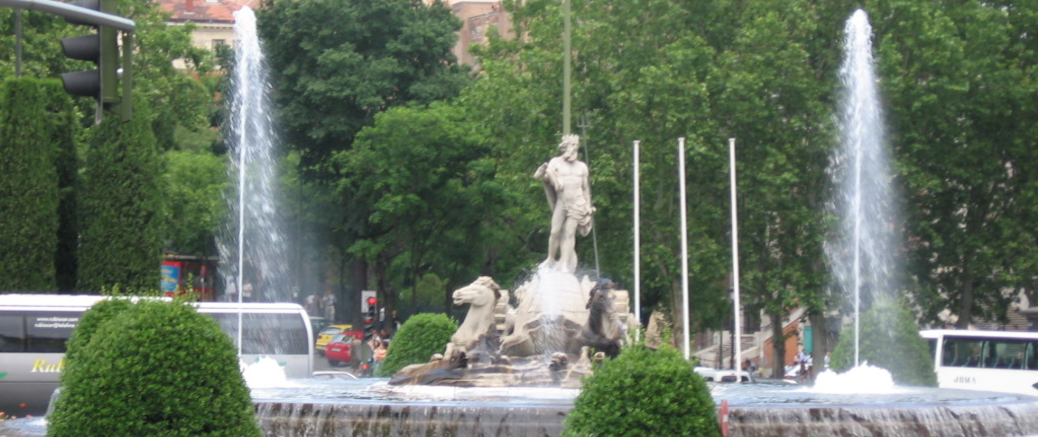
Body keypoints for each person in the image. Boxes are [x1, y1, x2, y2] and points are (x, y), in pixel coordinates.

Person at [533, 134, 594, 273]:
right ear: (564, 147)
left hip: (578, 203)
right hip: (562, 202)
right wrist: (545, 174)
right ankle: (550, 258)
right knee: (554, 231)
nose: (574, 149)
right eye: (571, 146)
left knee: (569, 232)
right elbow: (543, 176)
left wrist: (588, 206)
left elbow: (586, 188)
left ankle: (565, 262)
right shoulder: (556, 162)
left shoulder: (582, 167)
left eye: (576, 146)